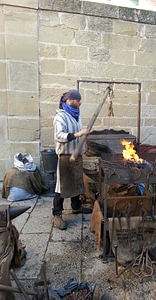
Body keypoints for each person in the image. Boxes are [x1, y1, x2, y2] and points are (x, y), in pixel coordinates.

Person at [52, 89, 92, 230]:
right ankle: (56, 214)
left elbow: (80, 136)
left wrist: (84, 148)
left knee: (76, 182)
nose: (80, 102)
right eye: (77, 100)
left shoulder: (76, 115)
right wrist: (78, 133)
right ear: (69, 101)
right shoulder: (60, 117)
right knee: (62, 186)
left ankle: (76, 207)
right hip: (66, 156)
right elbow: (59, 136)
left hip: (77, 156)